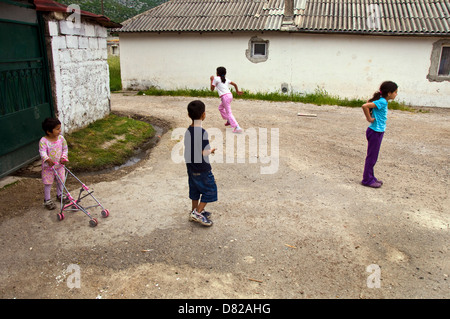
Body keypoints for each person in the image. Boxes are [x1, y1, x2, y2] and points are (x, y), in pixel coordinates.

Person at [184, 100, 218, 226]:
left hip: (191, 167)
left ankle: (194, 210)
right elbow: (202, 152)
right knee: (210, 189)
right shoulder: (202, 132)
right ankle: (197, 213)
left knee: (195, 190)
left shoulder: (188, 130)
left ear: (189, 115)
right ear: (203, 115)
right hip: (202, 168)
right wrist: (211, 150)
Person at [361, 81, 398, 188]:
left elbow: (369, 102)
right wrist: (369, 118)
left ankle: (371, 177)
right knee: (372, 157)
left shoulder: (381, 101)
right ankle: (367, 180)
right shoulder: (382, 102)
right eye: (395, 92)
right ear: (389, 93)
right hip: (375, 132)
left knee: (373, 157)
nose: (396, 94)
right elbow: (365, 105)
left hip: (377, 131)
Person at [39, 118, 69, 210]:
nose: (60, 131)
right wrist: (47, 159)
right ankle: (47, 200)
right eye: (57, 129)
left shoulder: (61, 138)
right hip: (48, 168)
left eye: (60, 128)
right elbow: (42, 152)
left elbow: (65, 149)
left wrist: (63, 157)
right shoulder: (43, 141)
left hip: (59, 166)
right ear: (49, 131)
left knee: (61, 180)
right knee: (48, 183)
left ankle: (60, 195)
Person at [210, 66, 243, 133]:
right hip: (229, 95)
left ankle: (237, 127)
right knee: (220, 108)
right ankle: (228, 120)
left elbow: (212, 89)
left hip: (225, 97)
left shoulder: (216, 79)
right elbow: (235, 84)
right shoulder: (225, 79)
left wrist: (211, 80)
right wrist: (237, 91)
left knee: (229, 112)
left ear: (217, 73)